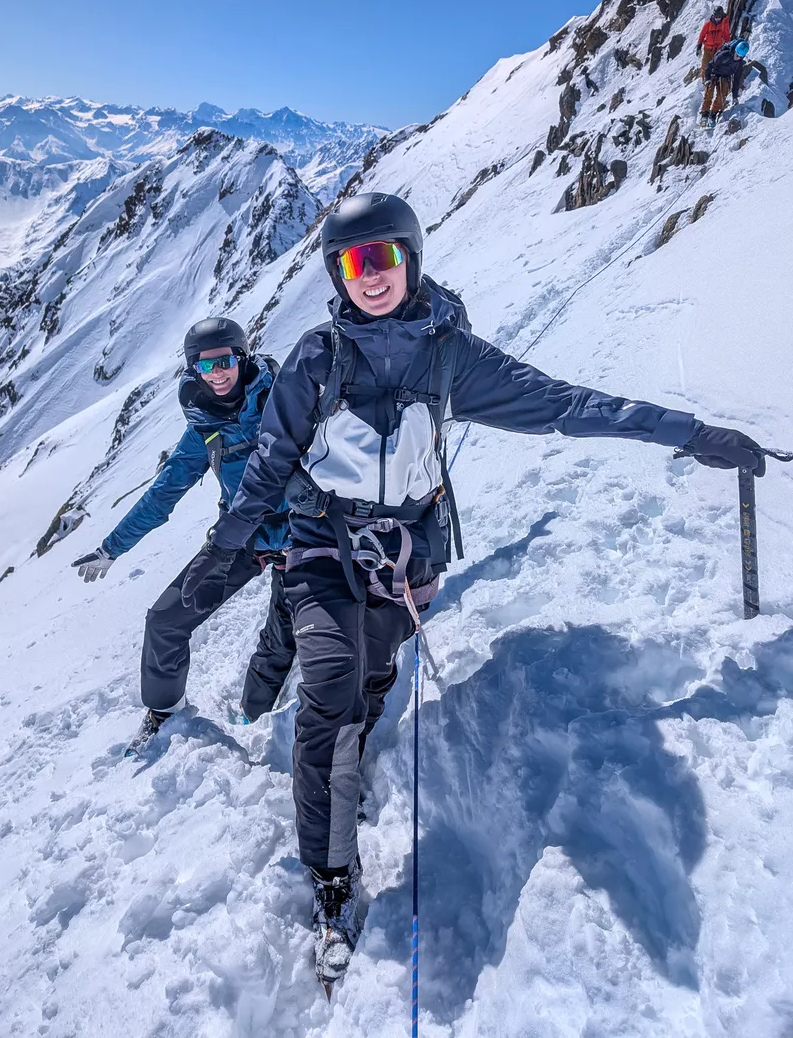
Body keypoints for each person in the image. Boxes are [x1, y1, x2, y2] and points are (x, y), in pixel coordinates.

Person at [179, 193, 768, 987]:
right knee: (328, 688)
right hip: (323, 547)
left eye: (384, 256)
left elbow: (564, 405)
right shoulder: (317, 360)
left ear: (411, 259)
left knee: (372, 673)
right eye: (353, 261)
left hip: (405, 558)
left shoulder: (449, 357)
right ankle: (332, 877)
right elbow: (269, 466)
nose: (371, 275)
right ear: (336, 273)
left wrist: (689, 433)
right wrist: (224, 550)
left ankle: (357, 744)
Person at [71, 317, 296, 755]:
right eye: (205, 365)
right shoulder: (203, 429)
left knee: (286, 632)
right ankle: (164, 713)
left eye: (225, 361)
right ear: (193, 370)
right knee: (165, 620)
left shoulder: (283, 399)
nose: (217, 373)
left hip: (302, 533)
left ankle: (259, 715)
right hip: (239, 540)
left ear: (242, 358)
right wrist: (111, 548)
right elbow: (163, 494)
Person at [701, 38, 750, 127]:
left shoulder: (739, 64)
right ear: (735, 51)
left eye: (740, 57)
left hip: (725, 77)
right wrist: (707, 79)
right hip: (714, 73)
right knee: (709, 92)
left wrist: (735, 96)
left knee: (722, 96)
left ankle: (713, 114)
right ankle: (704, 114)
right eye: (737, 55)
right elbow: (710, 65)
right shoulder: (724, 55)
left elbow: (736, 80)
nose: (737, 58)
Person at [696, 6, 731, 80]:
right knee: (705, 66)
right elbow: (702, 35)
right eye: (716, 17)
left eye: (719, 17)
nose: (717, 19)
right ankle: (705, 82)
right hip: (708, 49)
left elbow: (726, 35)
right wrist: (699, 46)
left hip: (718, 49)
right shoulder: (708, 24)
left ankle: (716, 81)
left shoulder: (724, 24)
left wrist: (728, 46)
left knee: (718, 66)